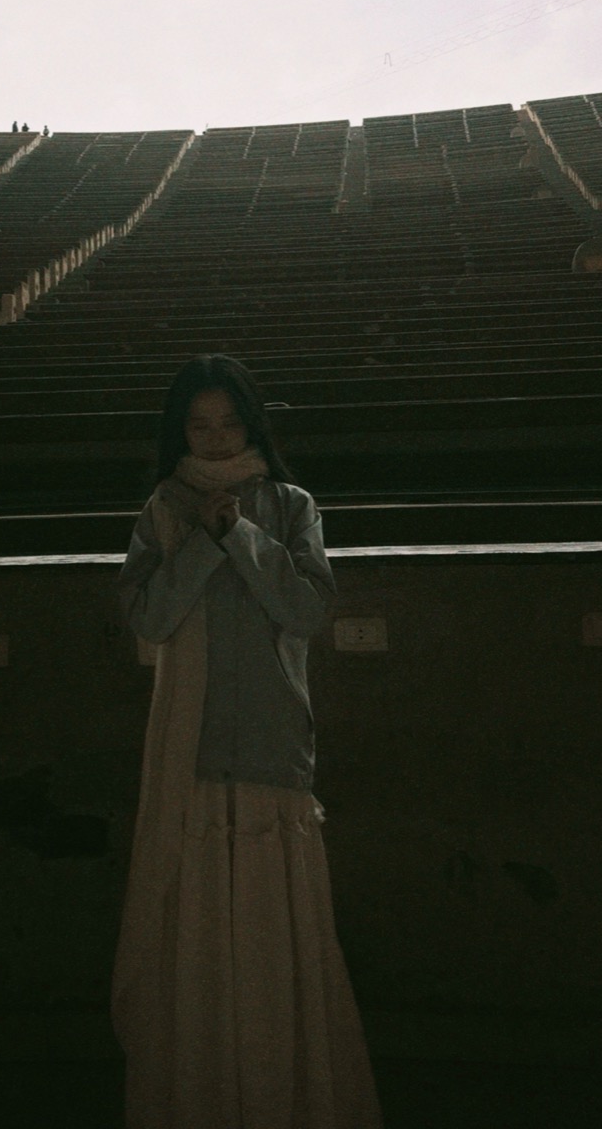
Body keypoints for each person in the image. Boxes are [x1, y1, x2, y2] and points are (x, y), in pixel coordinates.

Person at [111, 355, 384, 1129]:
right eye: (200, 426)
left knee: (274, 941)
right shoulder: (164, 509)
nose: (217, 437)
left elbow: (305, 610)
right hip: (189, 744)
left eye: (229, 422)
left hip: (270, 740)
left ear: (252, 423)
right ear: (180, 432)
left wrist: (242, 537)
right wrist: (201, 541)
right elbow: (149, 618)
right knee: (196, 935)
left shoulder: (291, 504)